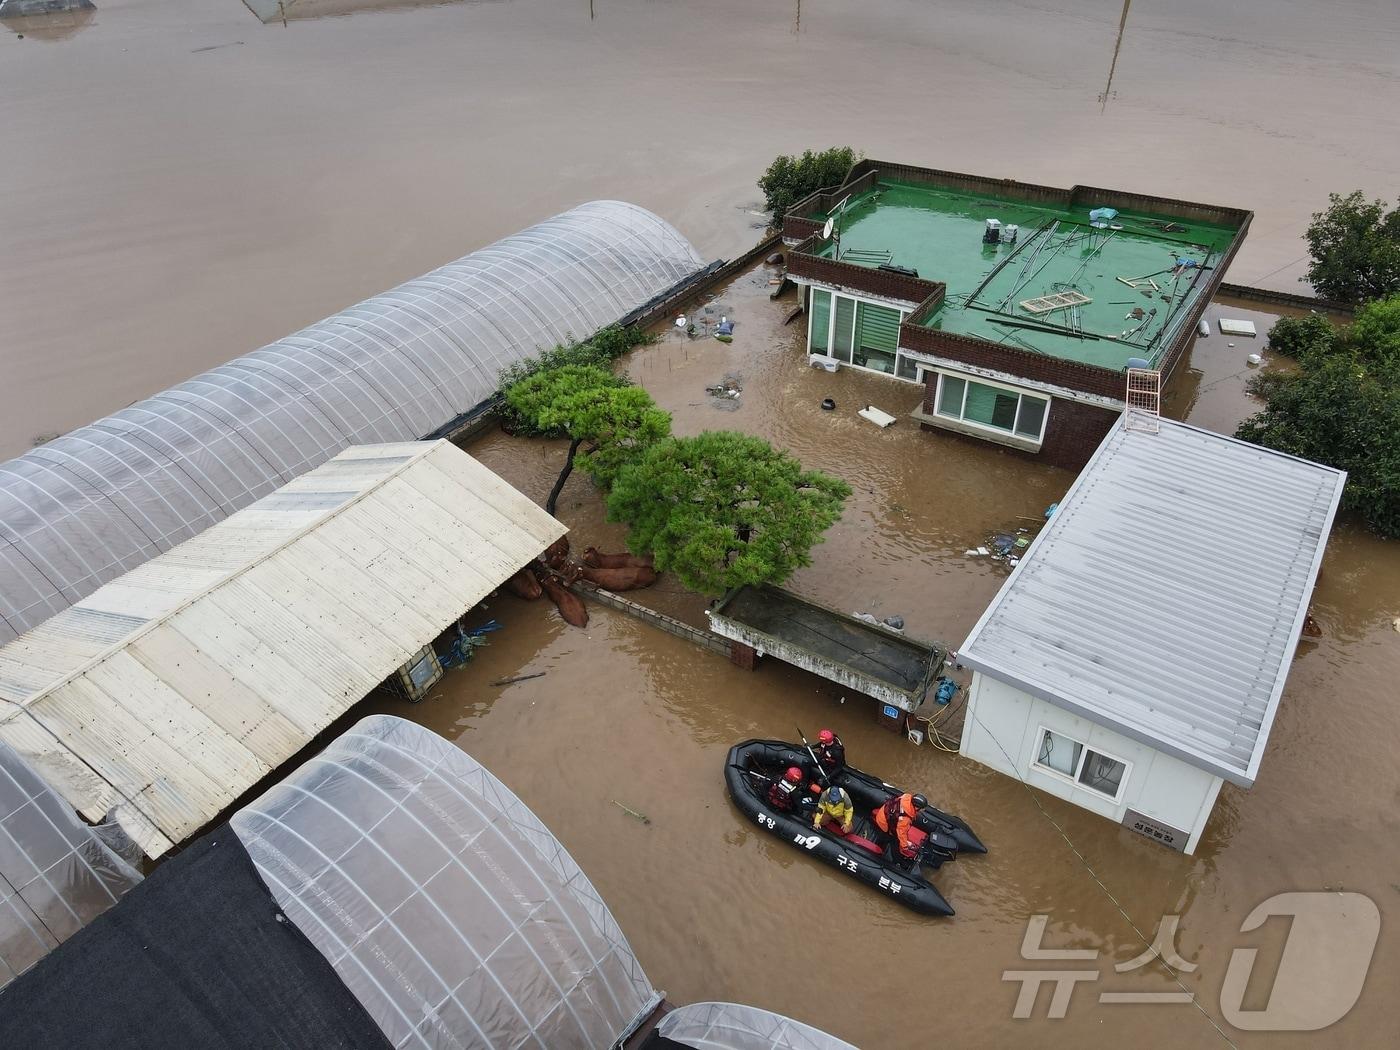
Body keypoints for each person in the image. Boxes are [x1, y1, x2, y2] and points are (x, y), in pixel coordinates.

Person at [873, 792, 927, 868]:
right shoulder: (905, 819)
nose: (923, 810)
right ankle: (897, 861)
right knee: (895, 842)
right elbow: (901, 834)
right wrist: (905, 846)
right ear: (916, 807)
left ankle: (880, 845)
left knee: (887, 837)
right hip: (884, 823)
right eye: (922, 809)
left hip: (884, 813)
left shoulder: (907, 797)